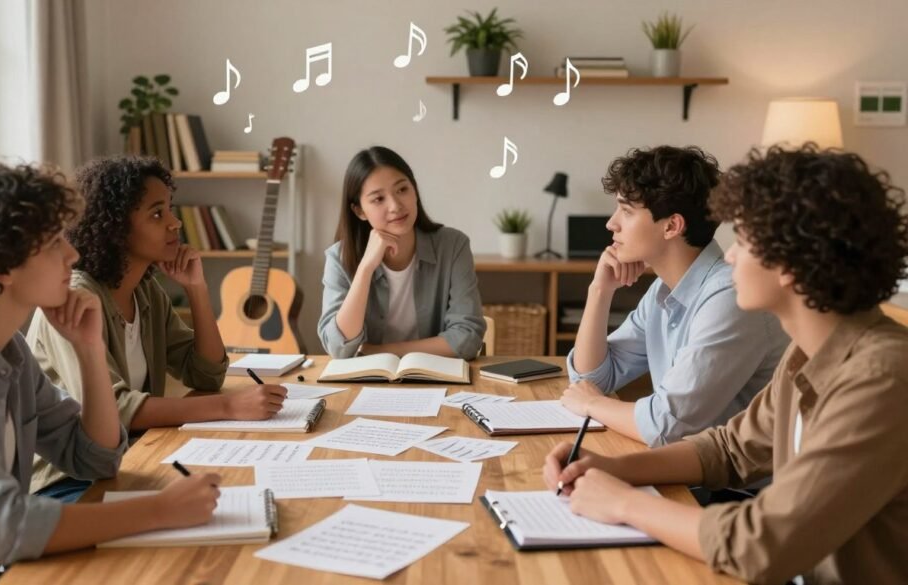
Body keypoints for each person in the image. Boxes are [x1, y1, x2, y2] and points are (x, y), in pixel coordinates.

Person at [544, 144, 908, 584]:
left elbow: (763, 544)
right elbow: (729, 449)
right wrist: (609, 467)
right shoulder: (807, 355)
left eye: (746, 241)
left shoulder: (881, 378)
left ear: (789, 264)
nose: (730, 256)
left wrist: (624, 502)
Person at [0, 163, 221, 585]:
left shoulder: (10, 351)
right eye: (53, 242)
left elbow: (95, 457)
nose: (73, 254)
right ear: (1, 264)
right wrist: (160, 510)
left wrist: (90, 350)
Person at [27, 156, 285, 501]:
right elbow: (117, 410)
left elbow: (205, 375)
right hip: (68, 482)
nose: (175, 223)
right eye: (157, 213)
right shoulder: (76, 298)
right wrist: (229, 407)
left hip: (130, 460)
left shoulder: (147, 292)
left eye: (170, 209)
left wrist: (197, 288)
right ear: (116, 225)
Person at [561, 146, 788, 447]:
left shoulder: (729, 299)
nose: (611, 223)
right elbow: (592, 380)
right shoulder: (664, 289)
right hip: (691, 473)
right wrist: (600, 291)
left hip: (726, 489)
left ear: (672, 226)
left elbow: (665, 427)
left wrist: (592, 405)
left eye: (627, 211)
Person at [318, 146, 485, 359]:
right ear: (359, 211)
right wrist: (365, 269)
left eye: (402, 190)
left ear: (414, 190)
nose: (395, 205)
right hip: (366, 383)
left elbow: (467, 338)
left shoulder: (453, 245)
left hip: (434, 379)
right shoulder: (338, 258)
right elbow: (338, 348)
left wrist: (379, 352)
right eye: (378, 199)